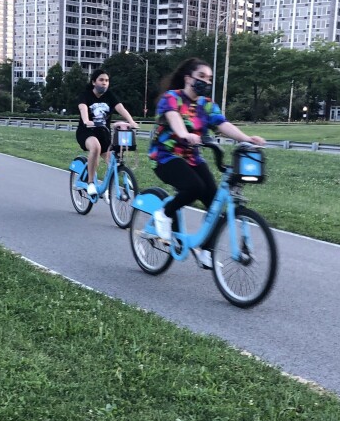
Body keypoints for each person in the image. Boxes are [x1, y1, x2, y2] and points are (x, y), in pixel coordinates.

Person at [149, 57, 266, 266]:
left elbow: (222, 124)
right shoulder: (172, 98)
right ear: (188, 78)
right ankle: (164, 214)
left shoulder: (207, 105)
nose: (206, 82)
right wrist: (185, 134)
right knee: (194, 187)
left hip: (192, 158)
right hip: (166, 156)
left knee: (214, 203)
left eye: (209, 79)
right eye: (201, 77)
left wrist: (247, 139)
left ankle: (205, 250)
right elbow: (175, 120)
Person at [76, 69, 138, 197]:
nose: (104, 83)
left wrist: (131, 121)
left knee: (116, 156)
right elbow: (83, 108)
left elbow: (120, 108)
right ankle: (91, 183)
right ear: (94, 82)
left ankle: (117, 179)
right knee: (96, 147)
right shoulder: (85, 95)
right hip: (86, 131)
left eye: (107, 80)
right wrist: (87, 121)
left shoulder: (110, 95)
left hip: (103, 133)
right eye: (101, 80)